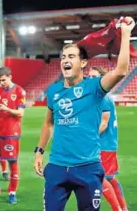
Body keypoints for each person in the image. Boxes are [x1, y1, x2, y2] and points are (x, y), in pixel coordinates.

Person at [34, 17, 134, 211]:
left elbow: (121, 71)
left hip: (88, 167)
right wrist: (39, 151)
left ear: (83, 63)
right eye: (63, 57)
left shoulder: (95, 87)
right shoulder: (53, 91)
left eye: (71, 56)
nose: (65, 60)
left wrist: (126, 33)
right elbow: (48, 124)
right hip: (57, 167)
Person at [89, 66, 128, 211]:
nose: (90, 80)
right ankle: (123, 208)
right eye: (89, 77)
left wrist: (88, 137)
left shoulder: (103, 98)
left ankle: (117, 209)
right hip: (107, 143)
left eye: (94, 77)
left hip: (104, 144)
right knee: (110, 178)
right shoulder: (101, 97)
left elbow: (104, 123)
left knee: (99, 178)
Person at [0, 67, 26, 204]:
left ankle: (12, 192)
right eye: (0, 81)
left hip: (11, 133)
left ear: (10, 76)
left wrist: (6, 109)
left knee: (12, 162)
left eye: (4, 80)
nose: (2, 83)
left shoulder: (19, 91)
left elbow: (20, 113)